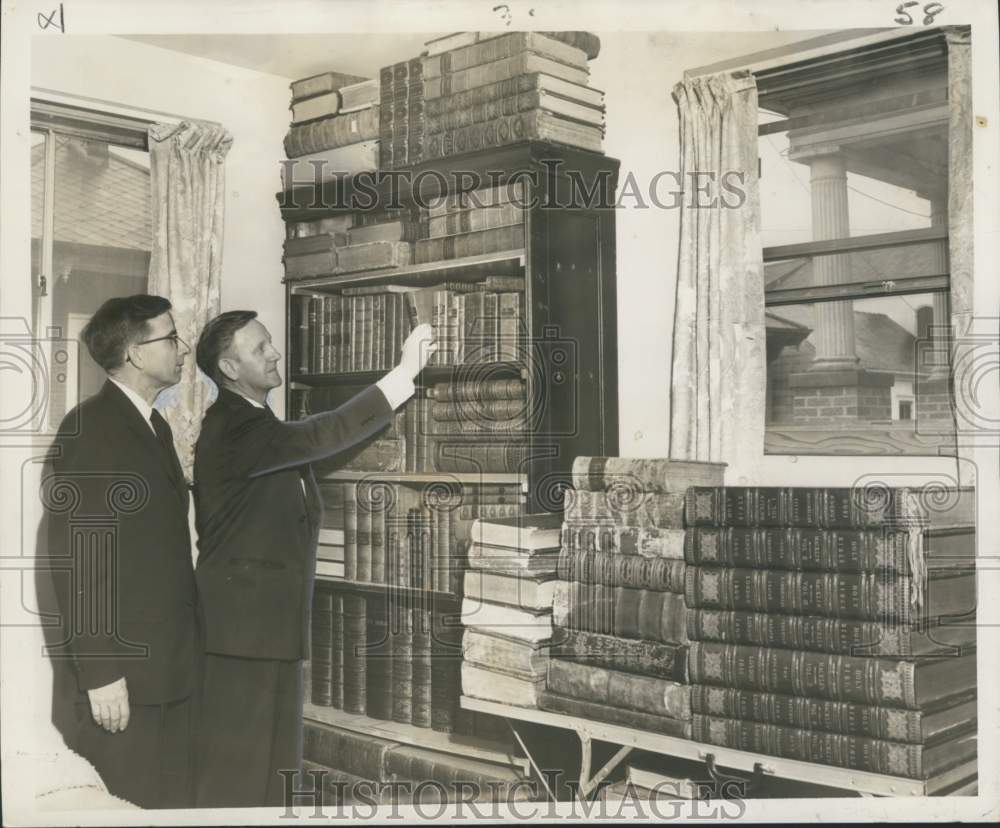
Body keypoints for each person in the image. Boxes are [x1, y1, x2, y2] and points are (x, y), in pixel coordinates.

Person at [191, 310, 434, 807]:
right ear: (229, 369)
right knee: (238, 779)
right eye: (260, 348)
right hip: (239, 634)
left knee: (274, 775)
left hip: (266, 629)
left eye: (270, 343)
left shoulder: (259, 425)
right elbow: (323, 434)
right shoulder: (235, 427)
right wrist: (403, 374)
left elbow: (314, 448)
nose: (276, 353)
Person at [45, 294, 198, 808]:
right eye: (171, 338)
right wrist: (101, 673)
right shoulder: (92, 429)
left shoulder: (155, 425)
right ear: (134, 353)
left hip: (166, 673)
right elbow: (79, 562)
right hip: (122, 683)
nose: (183, 349)